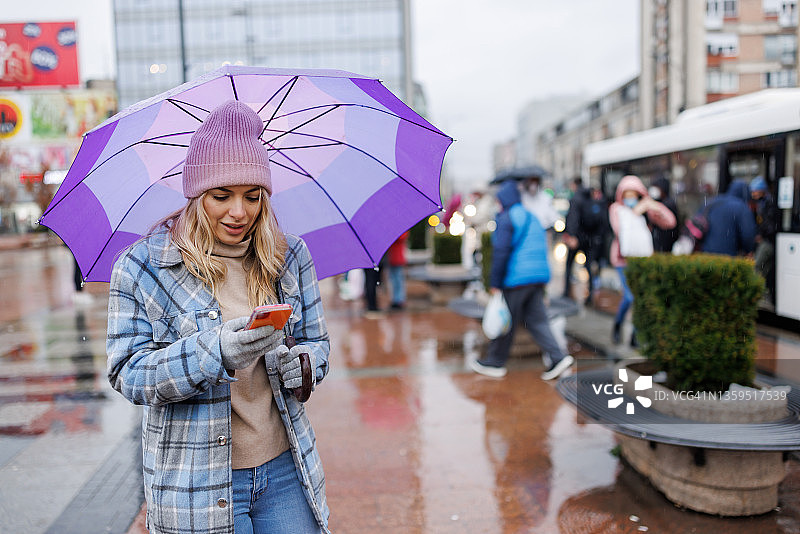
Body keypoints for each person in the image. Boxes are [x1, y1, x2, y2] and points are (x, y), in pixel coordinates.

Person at [106, 101, 330, 534]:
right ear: (196, 195)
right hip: (195, 481)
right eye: (221, 196)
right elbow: (127, 374)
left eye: (252, 196)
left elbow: (316, 343)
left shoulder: (290, 257)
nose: (239, 213)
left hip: (285, 467)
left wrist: (302, 365)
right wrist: (216, 351)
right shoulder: (142, 266)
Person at [471, 180, 574, 380]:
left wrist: (495, 282)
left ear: (504, 201)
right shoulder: (531, 216)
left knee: (506, 319)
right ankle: (558, 357)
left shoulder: (507, 218)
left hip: (517, 278)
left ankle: (494, 362)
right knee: (537, 320)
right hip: (538, 276)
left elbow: (500, 252)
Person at [609, 175, 676, 346]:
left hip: (642, 260)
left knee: (641, 298)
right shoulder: (617, 209)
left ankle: (635, 335)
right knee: (630, 297)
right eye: (627, 194)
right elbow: (619, 230)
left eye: (634, 194)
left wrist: (655, 206)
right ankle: (618, 325)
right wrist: (635, 212)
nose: (630, 198)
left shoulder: (646, 210)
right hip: (622, 260)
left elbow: (670, 222)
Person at [562, 178, 607, 304]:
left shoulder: (576, 198)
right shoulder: (590, 199)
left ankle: (566, 292)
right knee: (588, 266)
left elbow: (573, 218)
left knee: (569, 265)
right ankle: (591, 294)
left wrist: (571, 236)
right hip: (590, 239)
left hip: (577, 238)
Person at [701, 179, 756, 257]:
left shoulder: (711, 203)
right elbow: (748, 234)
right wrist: (749, 249)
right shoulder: (742, 207)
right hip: (728, 256)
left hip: (705, 254)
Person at [749, 176, 779, 300]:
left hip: (767, 242)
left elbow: (770, 225)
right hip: (766, 240)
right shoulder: (762, 203)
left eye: (755, 191)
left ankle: (757, 294)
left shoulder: (768, 203)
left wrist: (762, 235)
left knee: (757, 267)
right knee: (763, 268)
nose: (753, 193)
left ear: (761, 190)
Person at [649, 175, 680, 253]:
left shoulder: (669, 203)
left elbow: (672, 224)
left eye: (657, 187)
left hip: (666, 242)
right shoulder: (655, 202)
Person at [387, 231, 409, 310]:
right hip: (391, 257)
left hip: (397, 258)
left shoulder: (401, 231)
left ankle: (399, 299)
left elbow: (402, 237)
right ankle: (395, 299)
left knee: (398, 279)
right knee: (393, 279)